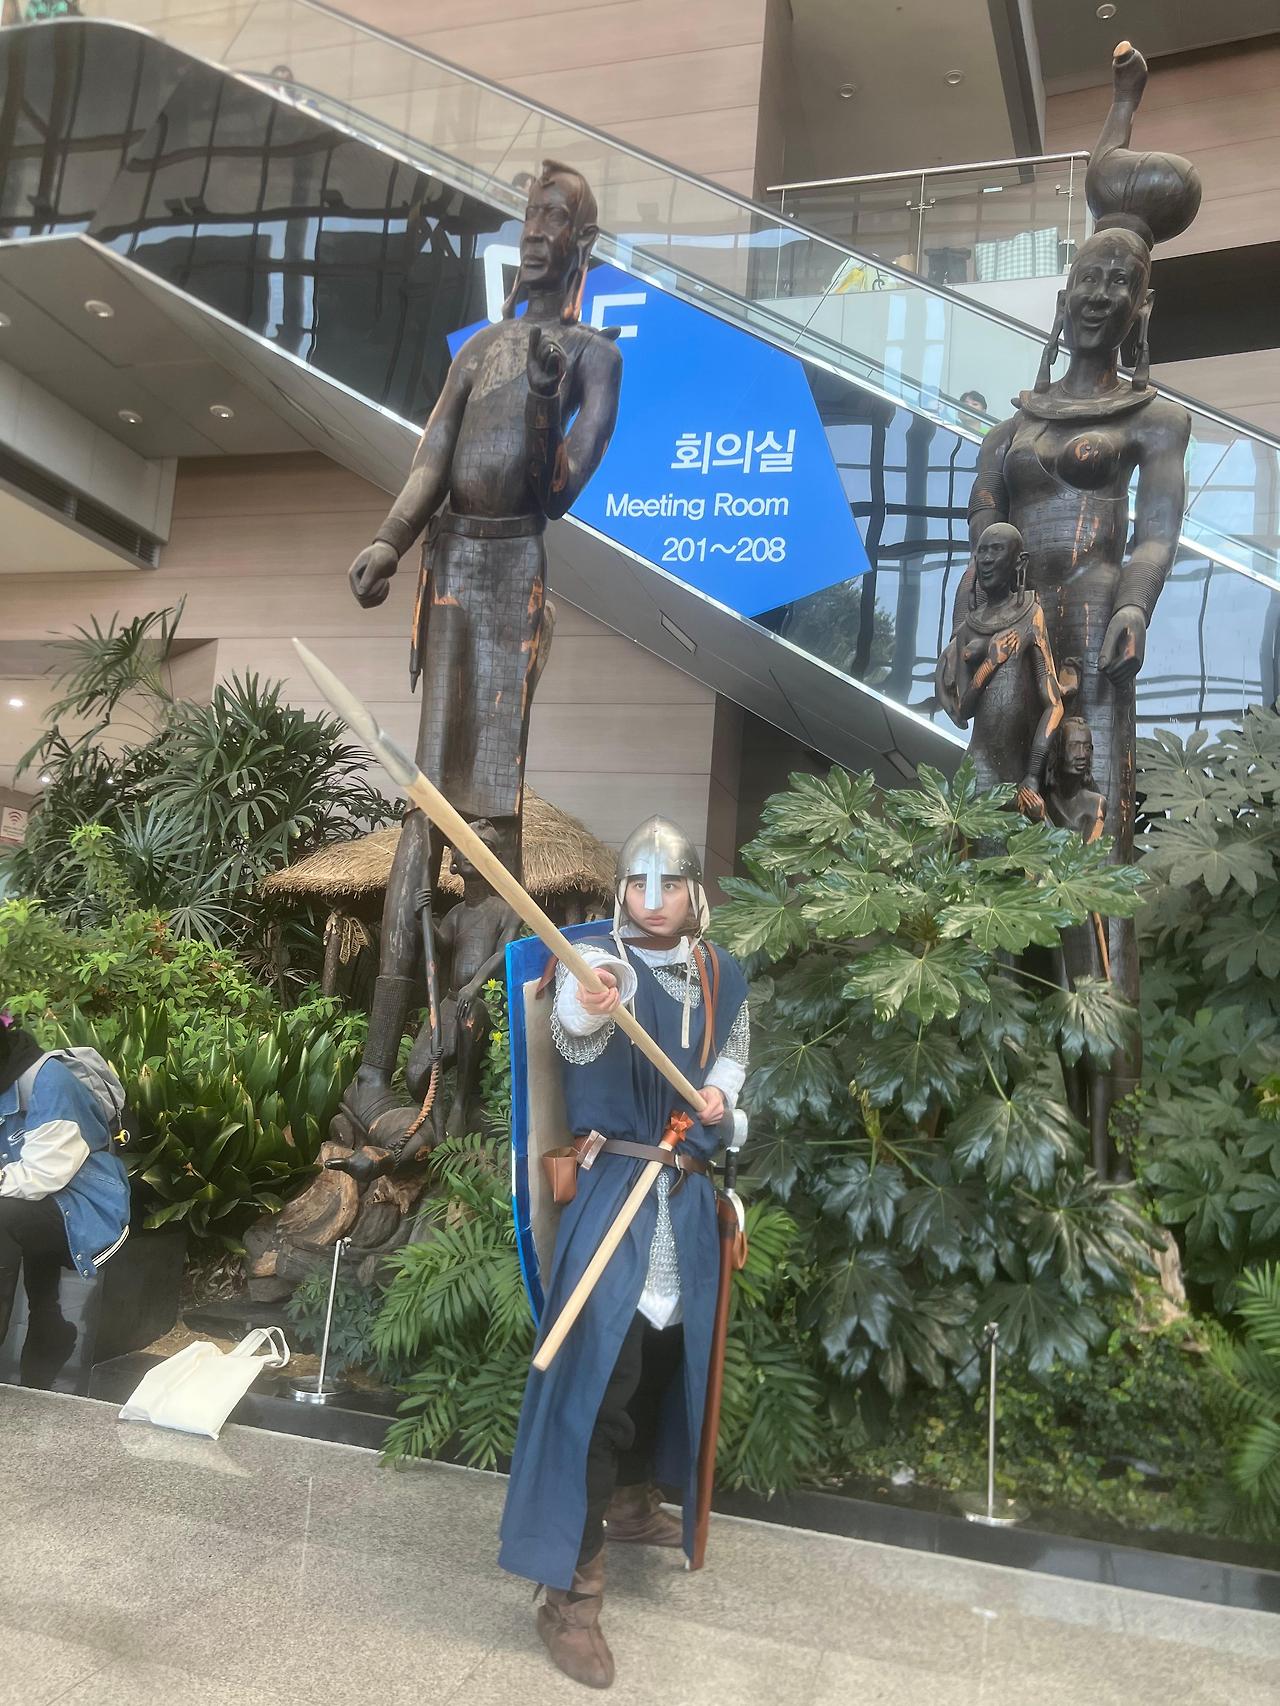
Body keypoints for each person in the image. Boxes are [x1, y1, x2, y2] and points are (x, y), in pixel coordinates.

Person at [337, 158, 623, 1156]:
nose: (536, 228)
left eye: (556, 216)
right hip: (451, 566)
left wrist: (544, 404)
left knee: (491, 819)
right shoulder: (479, 350)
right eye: (530, 213)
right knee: (425, 808)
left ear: (581, 243)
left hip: (512, 573)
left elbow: (559, 488)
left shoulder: (591, 356)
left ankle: (452, 1075)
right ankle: (375, 1066)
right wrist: (390, 540)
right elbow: (432, 459)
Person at [499, 818, 750, 1689]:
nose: (652, 901)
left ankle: (636, 1503)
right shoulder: (598, 959)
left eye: (668, 884)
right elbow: (574, 1024)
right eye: (638, 885)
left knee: (663, 1363)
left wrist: (721, 1102)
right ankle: (569, 1591)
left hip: (686, 1197)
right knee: (598, 1380)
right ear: (619, 892)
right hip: (616, 1194)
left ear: (694, 892)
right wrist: (592, 998)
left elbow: (733, 1066)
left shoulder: (720, 973)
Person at [0, 1012, 130, 1386]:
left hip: (87, 1202)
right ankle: (48, 1323)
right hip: (28, 1197)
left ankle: (45, 1325)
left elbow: (44, 1174)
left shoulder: (48, 1081)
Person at [935, 522, 1064, 818]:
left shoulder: (1031, 614)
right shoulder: (968, 628)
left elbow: (1054, 704)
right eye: (982, 551)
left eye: (996, 550)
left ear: (1019, 562)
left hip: (1020, 766)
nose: (987, 559)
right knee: (972, 837)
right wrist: (990, 663)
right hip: (978, 764)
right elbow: (964, 709)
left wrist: (1033, 774)